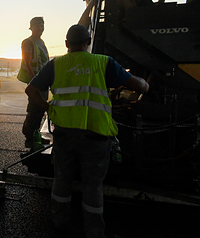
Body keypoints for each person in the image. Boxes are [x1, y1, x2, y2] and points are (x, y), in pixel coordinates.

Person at [25, 24, 149, 238]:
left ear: (66, 44)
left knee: (62, 180)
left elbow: (31, 89)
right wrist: (145, 85)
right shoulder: (103, 62)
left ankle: (59, 222)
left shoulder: (57, 64)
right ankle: (94, 231)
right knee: (92, 186)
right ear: (88, 42)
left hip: (64, 136)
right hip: (96, 137)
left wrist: (48, 108)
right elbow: (136, 86)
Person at [17, 16, 50, 149]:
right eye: (37, 26)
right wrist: (33, 83)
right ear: (31, 28)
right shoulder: (28, 42)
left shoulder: (41, 42)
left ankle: (36, 135)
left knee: (40, 110)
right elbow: (28, 63)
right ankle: (30, 137)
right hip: (36, 82)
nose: (40, 28)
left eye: (42, 25)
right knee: (34, 110)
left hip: (43, 82)